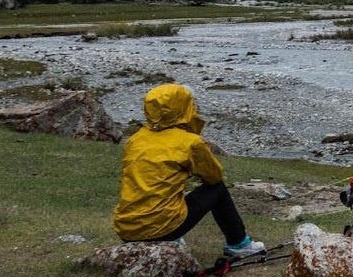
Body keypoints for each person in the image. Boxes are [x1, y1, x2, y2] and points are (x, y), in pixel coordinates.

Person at [112, 83, 264, 258]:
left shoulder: (135, 139)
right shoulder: (190, 142)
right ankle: (239, 244)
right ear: (184, 107)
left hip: (126, 229)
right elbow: (214, 177)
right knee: (218, 190)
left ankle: (170, 239)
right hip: (162, 229)